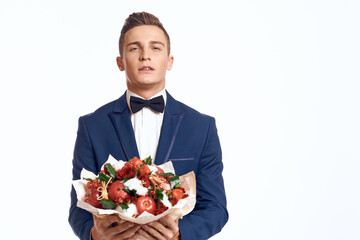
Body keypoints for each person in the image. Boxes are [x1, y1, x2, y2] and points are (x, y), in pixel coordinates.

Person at [69, 11, 228, 240]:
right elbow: (78, 207)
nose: (145, 56)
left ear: (169, 60)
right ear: (120, 62)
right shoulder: (92, 126)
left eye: (155, 48)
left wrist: (180, 234)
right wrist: (94, 235)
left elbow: (215, 207)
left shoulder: (201, 127)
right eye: (134, 48)